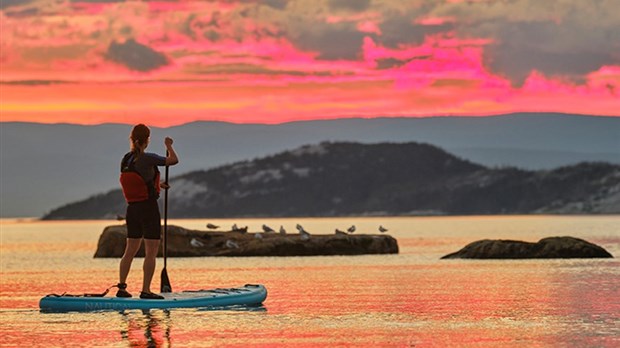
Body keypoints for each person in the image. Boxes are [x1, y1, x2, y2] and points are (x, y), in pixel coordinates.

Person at [117, 124, 179, 299]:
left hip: (132, 209)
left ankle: (122, 287)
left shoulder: (126, 159)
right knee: (151, 251)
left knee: (130, 250)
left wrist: (157, 185)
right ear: (147, 140)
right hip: (148, 209)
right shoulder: (147, 158)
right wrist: (168, 145)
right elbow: (173, 160)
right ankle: (146, 290)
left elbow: (139, 180)